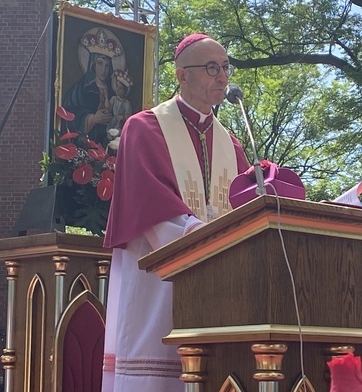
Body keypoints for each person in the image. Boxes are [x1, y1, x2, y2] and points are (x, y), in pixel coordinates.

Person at [101, 34, 250, 392]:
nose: (222, 77)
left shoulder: (231, 143)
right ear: (182, 75)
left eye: (225, 67)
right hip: (161, 276)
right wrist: (208, 239)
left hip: (223, 280)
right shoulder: (144, 127)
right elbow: (149, 200)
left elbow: (249, 205)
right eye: (211, 68)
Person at [63, 28, 120, 145]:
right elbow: (69, 111)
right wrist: (92, 119)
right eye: (100, 63)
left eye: (107, 66)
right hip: (86, 146)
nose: (104, 70)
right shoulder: (82, 88)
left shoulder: (114, 91)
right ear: (93, 65)